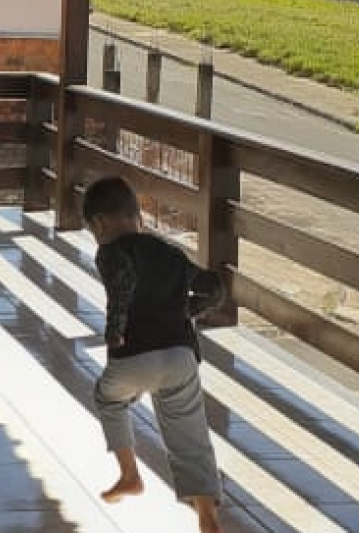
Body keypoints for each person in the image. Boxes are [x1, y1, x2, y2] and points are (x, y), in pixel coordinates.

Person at [83, 176, 225, 533]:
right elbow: (213, 289)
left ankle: (129, 474)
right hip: (180, 355)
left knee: (109, 399)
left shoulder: (111, 252)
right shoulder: (171, 254)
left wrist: (115, 328)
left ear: (100, 224)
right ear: (139, 217)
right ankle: (207, 516)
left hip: (134, 354)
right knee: (190, 436)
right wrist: (187, 312)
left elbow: (123, 283)